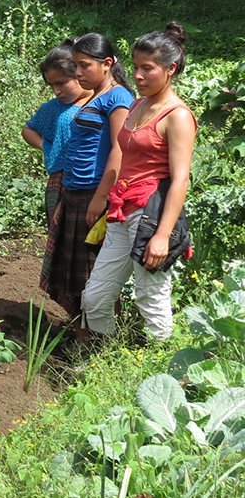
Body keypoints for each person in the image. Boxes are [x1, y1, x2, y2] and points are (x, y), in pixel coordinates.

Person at [81, 22, 197, 341]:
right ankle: (106, 354)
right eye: (135, 67)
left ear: (171, 69)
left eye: (148, 68)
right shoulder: (138, 104)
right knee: (95, 297)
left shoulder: (177, 116)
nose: (138, 76)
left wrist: (162, 236)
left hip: (150, 215)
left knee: (151, 296)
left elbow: (180, 179)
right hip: (121, 211)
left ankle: (161, 363)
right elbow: (122, 153)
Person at [40, 33, 135, 335]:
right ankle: (85, 334)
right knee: (76, 272)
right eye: (76, 66)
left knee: (93, 271)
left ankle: (99, 339)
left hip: (94, 191)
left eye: (83, 66)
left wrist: (101, 197)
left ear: (107, 64)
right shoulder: (95, 96)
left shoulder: (118, 97)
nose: (78, 72)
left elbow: (120, 149)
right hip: (76, 190)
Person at [22, 43, 92, 226]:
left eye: (61, 83)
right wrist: (47, 147)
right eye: (51, 85)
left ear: (79, 74)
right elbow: (28, 129)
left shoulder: (104, 101)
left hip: (94, 179)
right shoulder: (54, 108)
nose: (56, 91)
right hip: (61, 181)